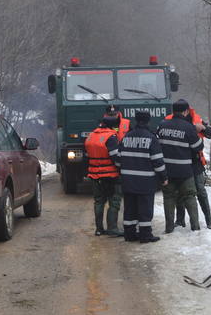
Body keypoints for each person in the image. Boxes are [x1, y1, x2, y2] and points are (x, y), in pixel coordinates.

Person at [116, 110, 166, 242]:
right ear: (148, 121)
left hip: (128, 181)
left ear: (136, 120)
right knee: (145, 209)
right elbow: (158, 162)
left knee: (130, 209)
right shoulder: (151, 138)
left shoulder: (126, 137)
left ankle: (129, 234)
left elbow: (118, 160)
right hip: (145, 182)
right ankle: (145, 235)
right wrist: (164, 177)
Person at [165, 106, 211, 229]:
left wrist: (203, 128)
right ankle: (180, 220)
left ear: (187, 111)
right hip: (178, 161)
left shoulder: (197, 119)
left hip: (195, 162)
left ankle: (209, 220)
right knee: (179, 192)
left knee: (200, 191)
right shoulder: (168, 120)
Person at [157, 99, 204, 233]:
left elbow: (157, 143)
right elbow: (198, 147)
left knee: (169, 197)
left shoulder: (162, 125)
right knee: (190, 197)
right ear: (186, 111)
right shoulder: (188, 127)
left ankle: (169, 228)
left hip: (167, 170)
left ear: (173, 110)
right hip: (185, 171)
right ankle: (195, 227)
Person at [85, 115, 123, 236]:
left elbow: (87, 154)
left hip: (94, 174)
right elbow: (115, 157)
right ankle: (112, 228)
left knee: (99, 201)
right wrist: (121, 168)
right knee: (114, 201)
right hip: (110, 175)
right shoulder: (111, 136)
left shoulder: (91, 135)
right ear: (113, 126)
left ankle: (99, 229)